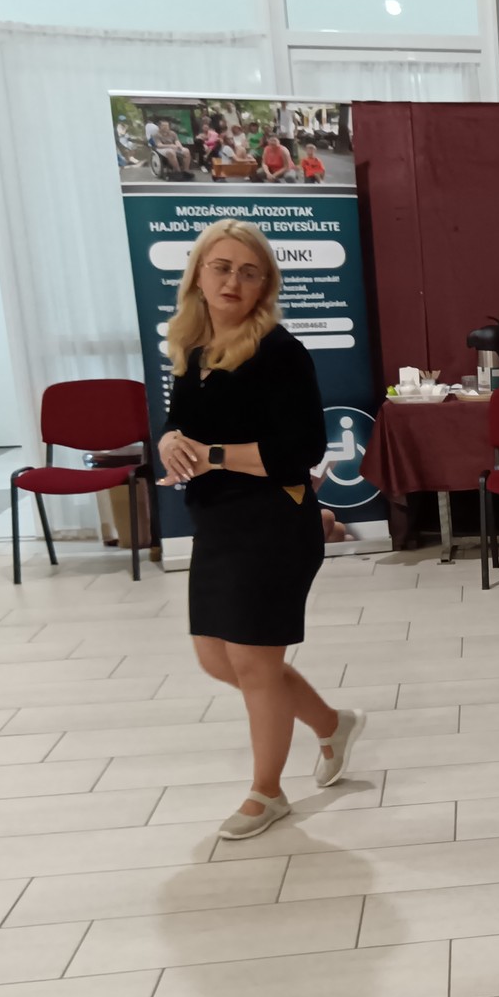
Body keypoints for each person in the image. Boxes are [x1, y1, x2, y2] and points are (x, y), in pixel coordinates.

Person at [156, 219, 365, 840]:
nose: (233, 281)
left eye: (249, 272)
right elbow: (178, 424)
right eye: (221, 267)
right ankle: (332, 725)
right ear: (198, 274)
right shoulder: (192, 348)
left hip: (273, 520)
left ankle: (267, 792)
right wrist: (169, 442)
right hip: (217, 520)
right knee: (217, 658)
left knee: (252, 661)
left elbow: (301, 450)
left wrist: (213, 455)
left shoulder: (278, 351)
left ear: (265, 284)